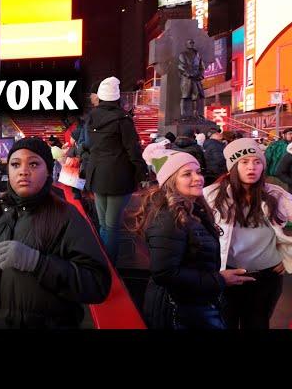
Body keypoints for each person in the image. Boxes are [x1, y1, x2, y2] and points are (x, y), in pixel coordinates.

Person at [0, 137, 111, 329]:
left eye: (33, 164)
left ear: (48, 170)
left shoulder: (66, 218)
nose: (23, 171)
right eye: (15, 164)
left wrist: (39, 263)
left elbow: (96, 285)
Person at [135, 146, 251, 329]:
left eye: (198, 172)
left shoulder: (192, 209)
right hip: (179, 310)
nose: (198, 178)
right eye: (187, 174)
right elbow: (165, 273)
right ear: (171, 181)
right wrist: (219, 279)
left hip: (193, 302)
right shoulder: (168, 218)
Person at [203, 138, 292, 329]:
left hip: (266, 278)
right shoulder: (211, 195)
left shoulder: (276, 195)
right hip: (227, 276)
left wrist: (288, 257)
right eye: (244, 162)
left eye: (257, 161)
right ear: (232, 166)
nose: (251, 167)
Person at [83, 76, 148, 266]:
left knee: (104, 225)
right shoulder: (122, 119)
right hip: (118, 177)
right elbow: (132, 150)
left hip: (96, 175)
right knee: (111, 226)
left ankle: (103, 262)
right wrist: (142, 173)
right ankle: (109, 267)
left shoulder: (91, 118)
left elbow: (87, 145)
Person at [177, 39, 205, 119]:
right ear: (186, 44)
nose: (192, 44)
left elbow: (202, 67)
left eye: (193, 42)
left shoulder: (198, 54)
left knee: (196, 97)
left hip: (196, 79)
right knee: (185, 96)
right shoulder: (183, 54)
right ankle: (183, 114)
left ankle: (196, 114)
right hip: (187, 79)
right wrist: (188, 74)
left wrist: (201, 75)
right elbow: (181, 66)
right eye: (190, 43)